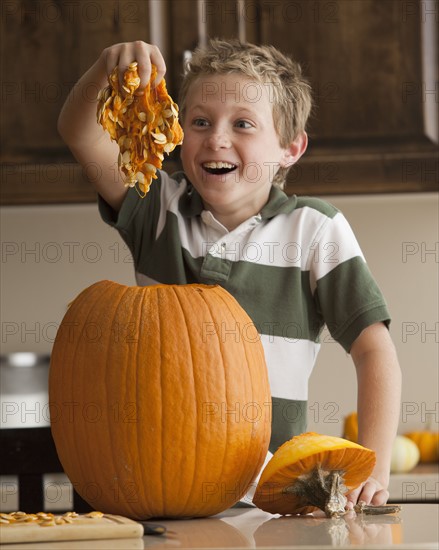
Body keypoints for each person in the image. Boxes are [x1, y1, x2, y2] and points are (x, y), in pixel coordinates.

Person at [58, 38, 401, 509]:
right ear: (178, 133)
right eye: (200, 121)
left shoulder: (314, 230)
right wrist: (103, 69)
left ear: (289, 148)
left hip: (276, 496)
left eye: (242, 124)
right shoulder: (158, 208)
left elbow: (374, 350)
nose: (216, 138)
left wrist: (375, 466)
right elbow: (79, 134)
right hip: (159, 487)